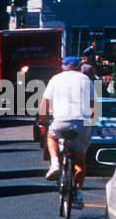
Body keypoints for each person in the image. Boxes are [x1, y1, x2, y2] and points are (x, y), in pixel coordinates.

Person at [39, 55, 96, 207]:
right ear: (78, 67)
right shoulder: (86, 80)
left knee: (51, 136)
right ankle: (78, 193)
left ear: (63, 66)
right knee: (80, 160)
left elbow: (44, 102)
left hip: (61, 120)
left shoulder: (55, 79)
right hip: (81, 122)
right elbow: (94, 106)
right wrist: (91, 122)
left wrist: (43, 119)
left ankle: (56, 163)